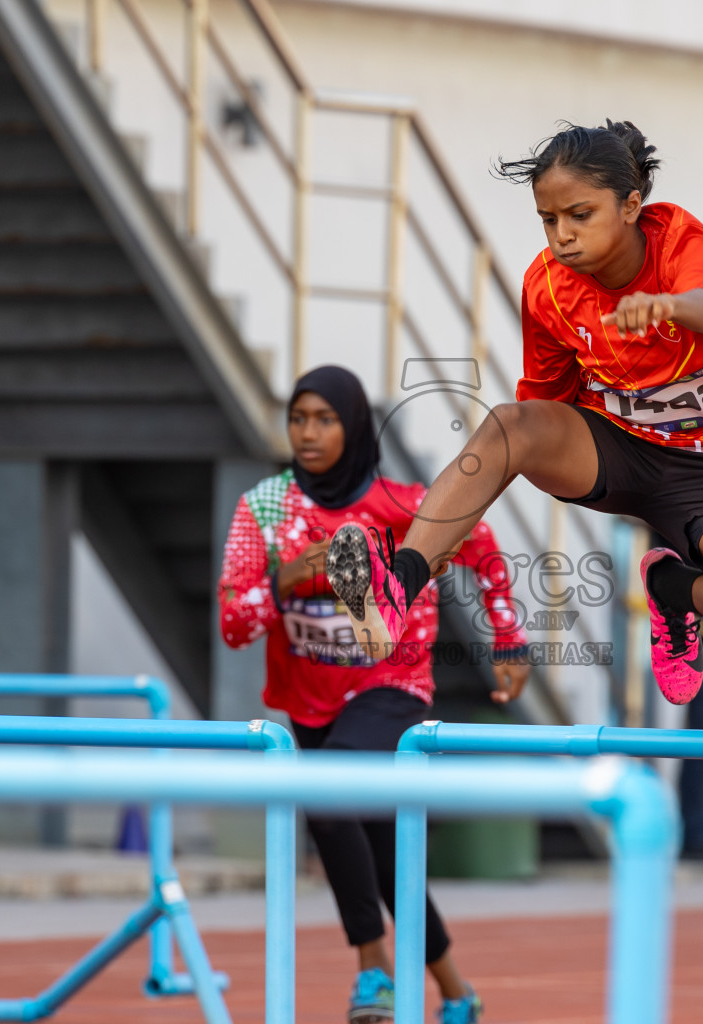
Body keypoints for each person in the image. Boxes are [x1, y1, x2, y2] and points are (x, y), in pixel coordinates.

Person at [321, 119, 703, 706]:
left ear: (631, 206)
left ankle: (671, 586)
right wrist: (476, 501)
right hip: (616, 450)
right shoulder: (548, 287)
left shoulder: (676, 236)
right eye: (549, 220)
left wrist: (668, 305)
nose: (563, 237)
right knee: (510, 423)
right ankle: (399, 583)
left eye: (580, 215)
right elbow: (545, 400)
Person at [217, 365, 529, 1024]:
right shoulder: (265, 509)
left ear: (355, 425)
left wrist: (507, 635)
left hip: (393, 683)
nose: (307, 432)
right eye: (298, 418)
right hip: (308, 696)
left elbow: (484, 546)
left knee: (326, 797)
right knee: (382, 852)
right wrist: (287, 581)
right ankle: (456, 991)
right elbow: (234, 623)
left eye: (324, 419)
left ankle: (374, 972)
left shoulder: (403, 501)